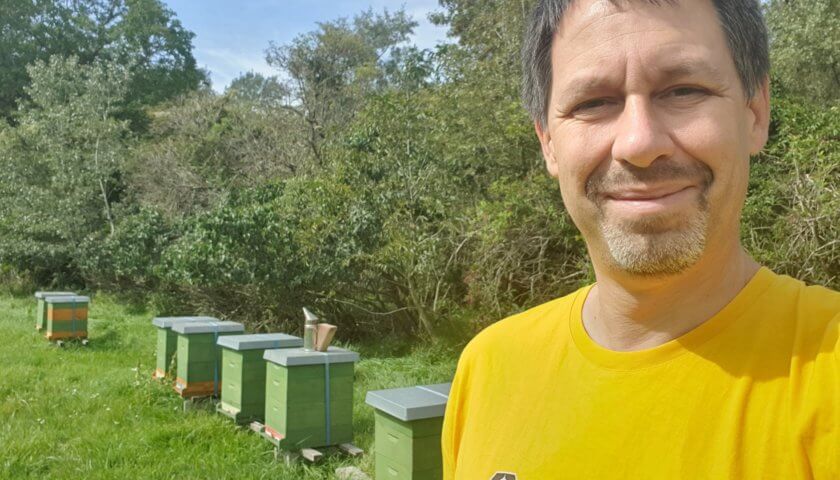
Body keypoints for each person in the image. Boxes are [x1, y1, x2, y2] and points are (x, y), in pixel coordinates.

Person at [441, 0, 839, 478]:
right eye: (593, 102)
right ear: (548, 141)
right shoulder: (487, 370)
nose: (640, 143)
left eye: (683, 90)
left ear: (754, 114)